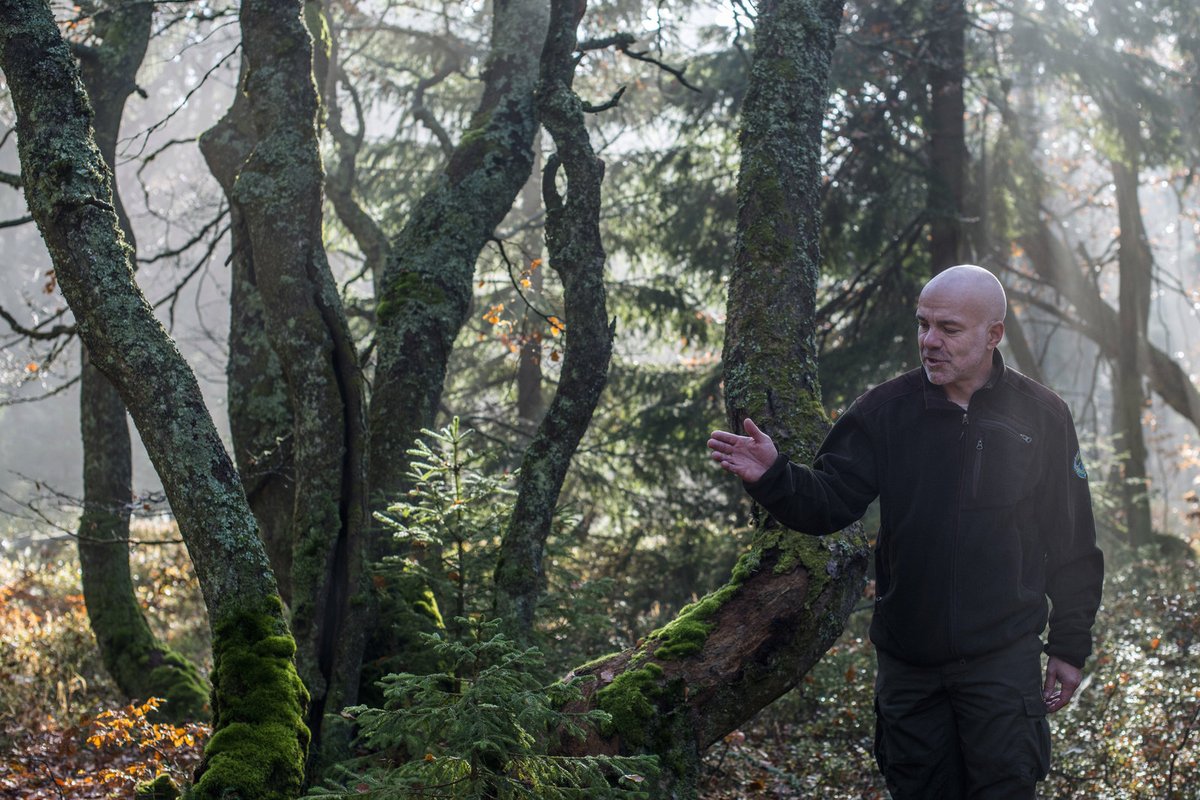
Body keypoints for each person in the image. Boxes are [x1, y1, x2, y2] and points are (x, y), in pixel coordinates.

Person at [707, 265, 1103, 799]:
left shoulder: (1043, 416)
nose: (929, 342)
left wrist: (1070, 647)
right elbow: (829, 504)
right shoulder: (885, 411)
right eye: (922, 325)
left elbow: (1073, 542)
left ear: (993, 335)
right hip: (910, 668)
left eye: (948, 329)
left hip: (1002, 661)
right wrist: (775, 477)